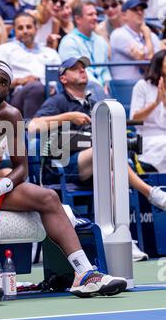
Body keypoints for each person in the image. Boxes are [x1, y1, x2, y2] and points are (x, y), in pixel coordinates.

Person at [0, 59, 127, 304]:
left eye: (2, 82)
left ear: (9, 88)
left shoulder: (11, 115)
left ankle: (84, 273)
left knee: (49, 198)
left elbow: (20, 169)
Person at [28, 56, 166, 258]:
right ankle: (151, 193)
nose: (82, 71)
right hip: (65, 166)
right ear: (63, 78)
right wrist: (68, 117)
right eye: (75, 69)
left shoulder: (94, 104)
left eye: (83, 68)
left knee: (113, 176)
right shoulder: (57, 101)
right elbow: (33, 127)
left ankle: (122, 239)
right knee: (108, 153)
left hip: (95, 166)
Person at [0, 12, 61, 118]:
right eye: (20, 28)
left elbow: (62, 74)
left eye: (29, 27)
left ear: (36, 29)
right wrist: (20, 81)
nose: (25, 31)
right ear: (14, 30)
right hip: (18, 96)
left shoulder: (49, 52)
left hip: (52, 94)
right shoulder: (5, 49)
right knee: (35, 88)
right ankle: (33, 131)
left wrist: (55, 86)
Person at [58, 1, 111, 88]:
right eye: (90, 14)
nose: (95, 17)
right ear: (78, 19)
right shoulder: (69, 42)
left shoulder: (101, 41)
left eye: (96, 14)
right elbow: (76, 73)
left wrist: (106, 84)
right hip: (80, 90)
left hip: (102, 90)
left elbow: (105, 70)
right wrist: (99, 88)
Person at [130, 49, 166, 173]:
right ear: (159, 64)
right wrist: (156, 103)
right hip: (148, 139)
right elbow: (134, 119)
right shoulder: (142, 86)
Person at [110, 0, 161, 81]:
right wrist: (148, 38)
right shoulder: (118, 34)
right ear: (123, 15)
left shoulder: (152, 35)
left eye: (142, 9)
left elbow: (158, 64)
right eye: (135, 10)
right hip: (124, 85)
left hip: (147, 83)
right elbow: (148, 62)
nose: (140, 12)